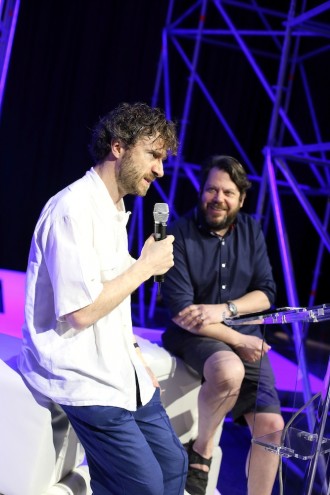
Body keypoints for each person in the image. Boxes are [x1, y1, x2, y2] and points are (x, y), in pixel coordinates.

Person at [18, 102, 188, 495]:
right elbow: (80, 311)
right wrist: (144, 266)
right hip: (82, 374)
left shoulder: (114, 208)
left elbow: (112, 295)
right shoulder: (73, 209)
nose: (160, 170)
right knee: (144, 485)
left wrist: (134, 355)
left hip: (117, 367)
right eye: (153, 155)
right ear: (118, 147)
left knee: (174, 463)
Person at [161, 155, 285, 495]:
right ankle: (201, 453)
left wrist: (224, 309)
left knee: (273, 428)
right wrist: (233, 334)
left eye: (228, 192)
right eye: (211, 189)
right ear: (201, 193)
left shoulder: (251, 230)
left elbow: (266, 294)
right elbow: (181, 311)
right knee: (230, 370)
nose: (218, 198)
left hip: (237, 330)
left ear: (241, 199)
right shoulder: (178, 235)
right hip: (193, 336)